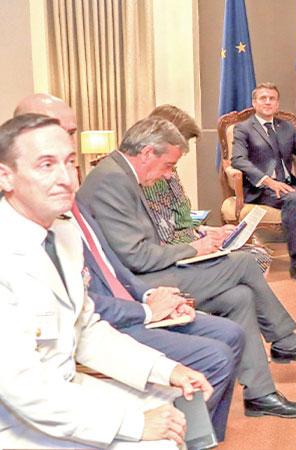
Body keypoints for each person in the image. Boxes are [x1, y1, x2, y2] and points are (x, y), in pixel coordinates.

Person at [14, 93, 244, 440]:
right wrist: (134, 424)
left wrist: (166, 370)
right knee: (167, 424)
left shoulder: (60, 231)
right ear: (6, 174)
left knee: (228, 324)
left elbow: (86, 325)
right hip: (24, 417)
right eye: (47, 163)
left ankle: (201, 437)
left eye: (70, 159)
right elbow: (23, 387)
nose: (67, 178)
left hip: (67, 381)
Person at [78, 116, 296, 419]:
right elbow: (135, 257)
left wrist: (201, 238)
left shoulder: (121, 174)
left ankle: (260, 393)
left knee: (240, 296)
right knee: (244, 263)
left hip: (147, 271)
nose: (168, 174)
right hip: (138, 285)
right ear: (147, 153)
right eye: (168, 165)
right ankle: (285, 340)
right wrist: (194, 249)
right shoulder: (113, 180)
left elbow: (150, 239)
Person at [144, 104, 272, 273]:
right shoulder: (151, 179)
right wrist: (205, 241)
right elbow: (166, 239)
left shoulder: (170, 171)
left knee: (259, 256)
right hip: (182, 256)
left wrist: (210, 231)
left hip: (194, 243)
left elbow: (180, 222)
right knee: (254, 260)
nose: (184, 152)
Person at [231, 82, 296, 283]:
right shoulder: (243, 129)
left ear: (277, 104)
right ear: (254, 103)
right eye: (263, 98)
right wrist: (267, 181)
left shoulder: (286, 128)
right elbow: (238, 160)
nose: (268, 102)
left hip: (286, 184)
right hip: (261, 189)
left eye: (272, 98)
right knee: (291, 197)